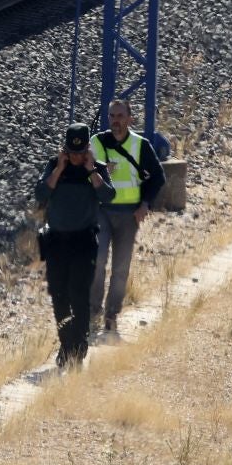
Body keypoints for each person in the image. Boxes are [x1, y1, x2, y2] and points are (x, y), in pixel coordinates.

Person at [34, 122, 115, 369]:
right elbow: (40, 195)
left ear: (88, 149)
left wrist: (92, 172)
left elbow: (108, 196)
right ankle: (67, 344)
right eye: (72, 152)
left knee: (79, 296)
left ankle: (78, 348)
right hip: (57, 242)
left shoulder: (96, 170)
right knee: (59, 296)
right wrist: (59, 169)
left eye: (81, 152)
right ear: (65, 151)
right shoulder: (54, 167)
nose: (77, 157)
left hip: (84, 242)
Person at [90, 99, 166, 338]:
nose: (116, 121)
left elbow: (158, 177)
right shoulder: (98, 141)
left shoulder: (140, 145)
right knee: (97, 263)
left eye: (121, 116)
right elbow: (98, 172)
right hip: (101, 211)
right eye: (112, 116)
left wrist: (145, 204)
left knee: (120, 269)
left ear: (130, 119)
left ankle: (111, 316)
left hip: (129, 214)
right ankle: (93, 312)